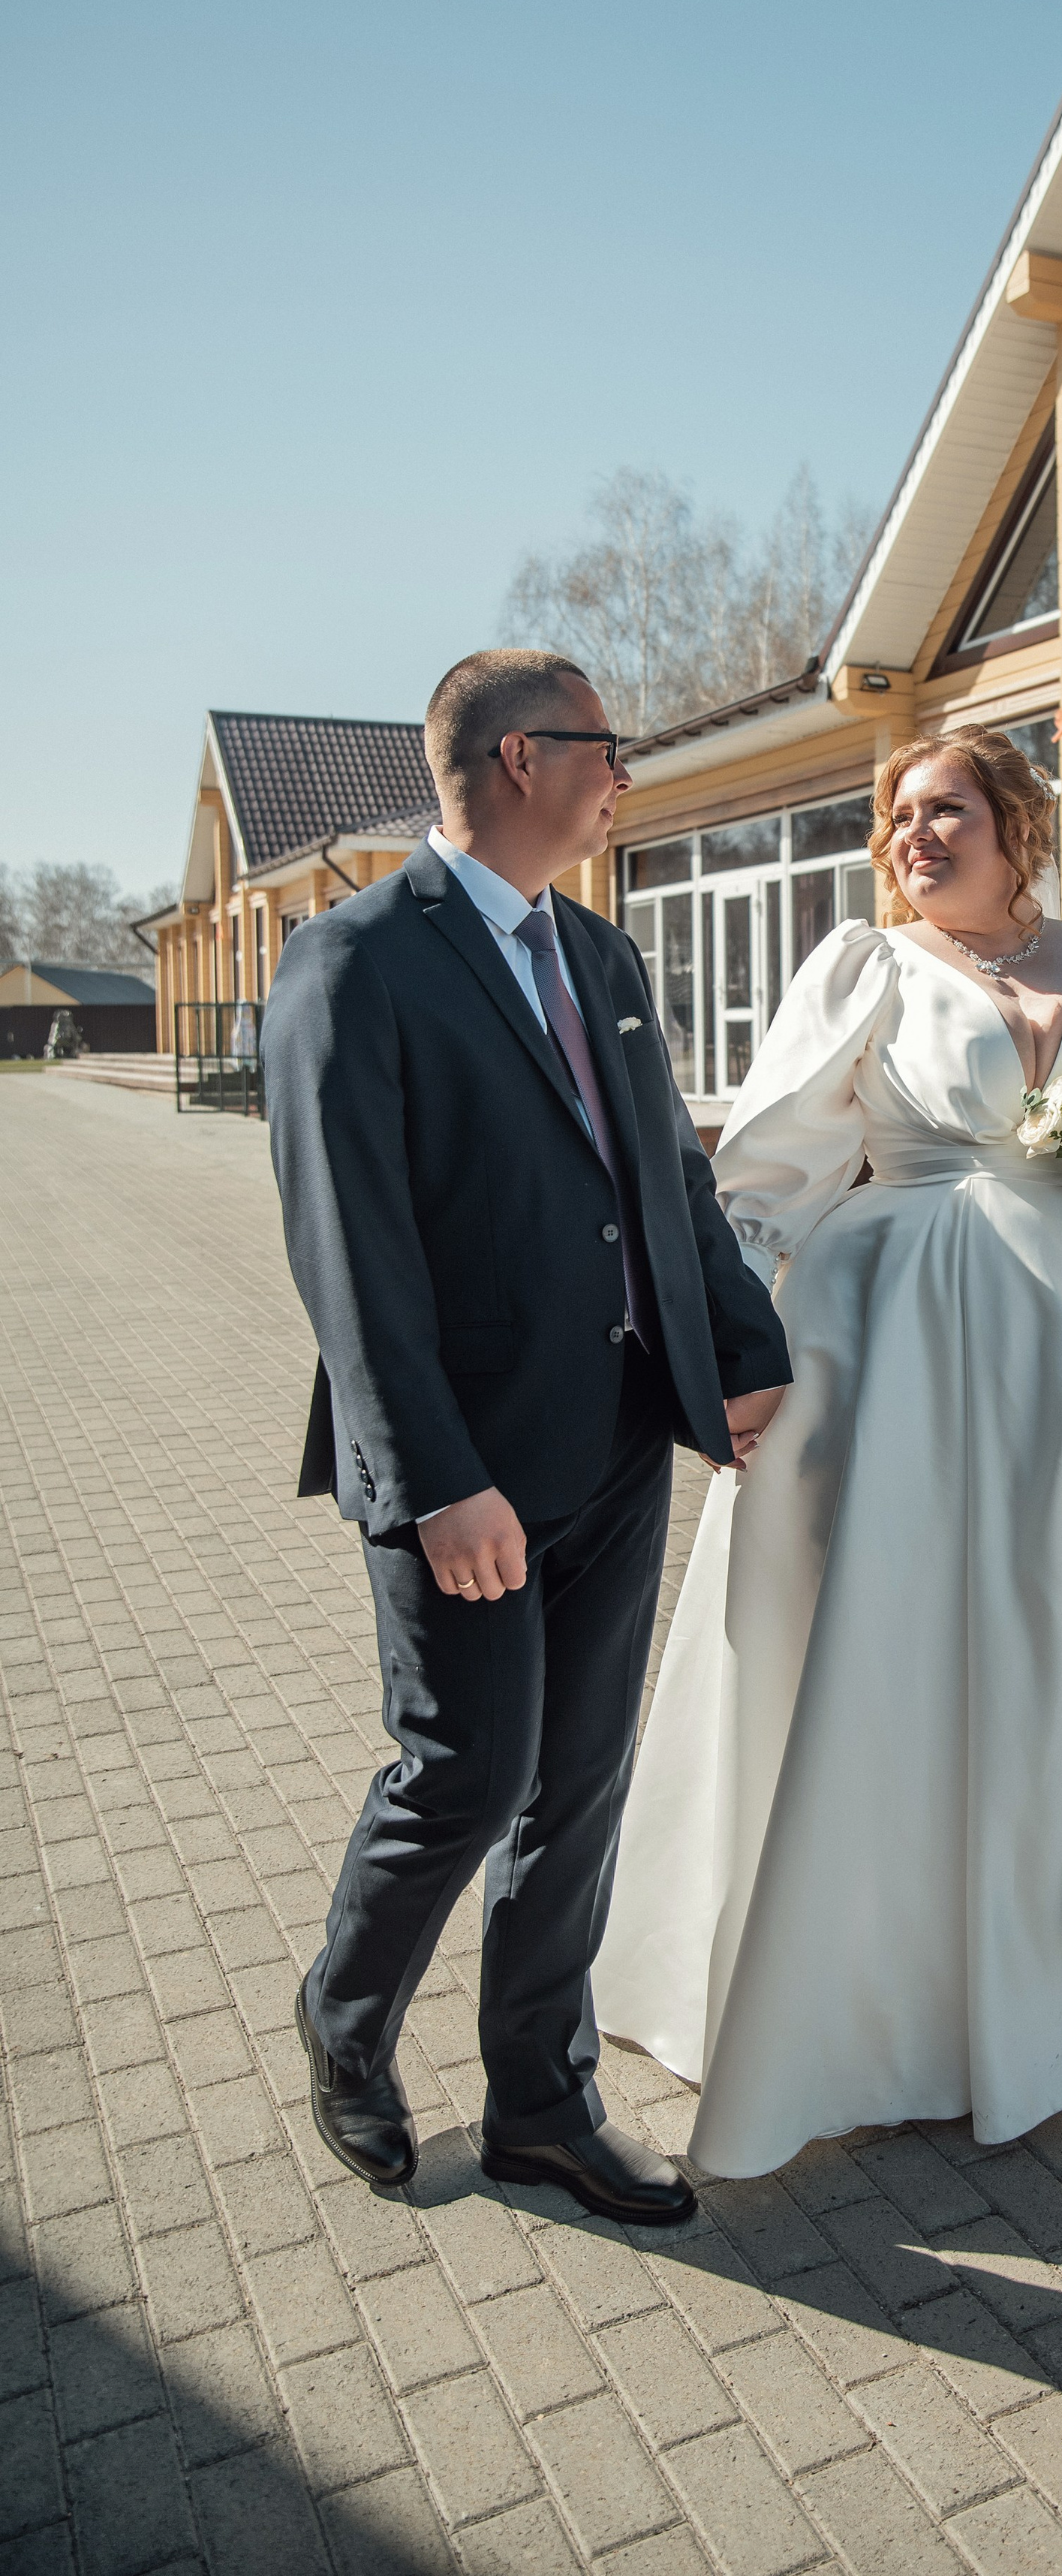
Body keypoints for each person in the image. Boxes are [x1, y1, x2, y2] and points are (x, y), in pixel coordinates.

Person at [594, 726, 1062, 2177]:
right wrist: (724, 1359)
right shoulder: (863, 971)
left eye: (943, 811)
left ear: (1017, 821)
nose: (912, 838)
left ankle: (1061, 1967)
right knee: (902, 1663)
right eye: (896, 818)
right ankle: (879, 1992)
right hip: (906, 1364)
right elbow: (761, 1176)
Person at [260, 649, 790, 2225]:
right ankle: (345, 2027)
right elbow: (347, 1254)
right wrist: (435, 1482)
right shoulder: (353, 964)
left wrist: (744, 1356)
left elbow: (666, 1185)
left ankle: (541, 2109)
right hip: (464, 1472)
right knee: (463, 1776)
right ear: (515, 758)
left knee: (577, 1787)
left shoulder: (606, 960)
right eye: (603, 749)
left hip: (617, 1442)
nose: (622, 775)